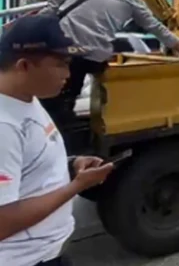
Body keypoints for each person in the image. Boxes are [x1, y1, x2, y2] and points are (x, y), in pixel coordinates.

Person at [0, 15, 115, 266]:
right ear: (24, 66)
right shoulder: (4, 127)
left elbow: (31, 163)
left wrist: (71, 164)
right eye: (61, 63)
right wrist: (76, 187)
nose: (68, 74)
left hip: (47, 254)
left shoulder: (25, 97)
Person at [36, 0, 179, 129]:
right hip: (94, 57)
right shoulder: (130, 0)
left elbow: (48, 12)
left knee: (55, 100)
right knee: (74, 85)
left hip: (62, 50)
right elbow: (160, 30)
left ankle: (60, 128)